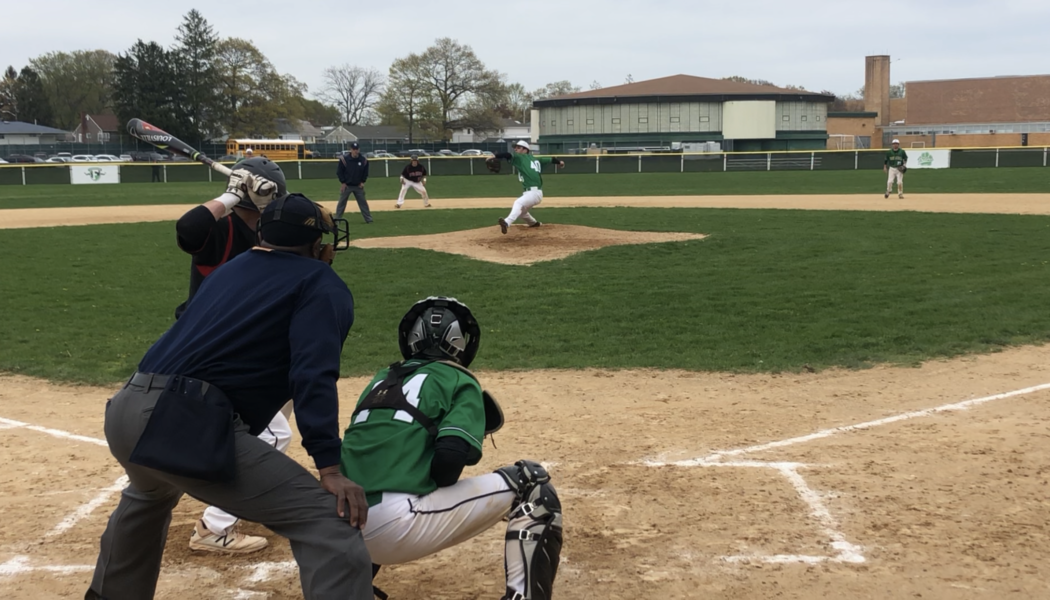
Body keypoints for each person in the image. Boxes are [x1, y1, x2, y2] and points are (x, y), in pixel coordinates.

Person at [85, 193, 371, 600]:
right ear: (316, 244)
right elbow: (313, 375)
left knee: (148, 496)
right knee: (327, 519)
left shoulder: (229, 269)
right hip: (182, 420)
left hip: (126, 407)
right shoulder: (319, 281)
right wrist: (329, 468)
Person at [340, 296, 564, 600]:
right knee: (532, 484)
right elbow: (449, 461)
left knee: (376, 481)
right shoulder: (459, 379)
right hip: (397, 528)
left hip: (343, 529)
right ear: (460, 344)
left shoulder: (380, 380)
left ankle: (349, 590)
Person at [174, 157, 295, 554]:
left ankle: (236, 488)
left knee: (284, 400)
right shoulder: (222, 228)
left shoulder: (269, 233)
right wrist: (230, 195)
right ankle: (215, 526)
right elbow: (187, 229)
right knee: (275, 434)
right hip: (209, 351)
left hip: (235, 351)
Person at [492, 141, 564, 234]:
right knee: (522, 211)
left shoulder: (521, 157)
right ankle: (533, 223)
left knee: (518, 203)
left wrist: (494, 156)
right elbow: (551, 159)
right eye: (515, 147)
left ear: (525, 150)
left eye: (518, 147)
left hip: (533, 193)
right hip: (533, 193)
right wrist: (560, 162)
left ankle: (507, 223)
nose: (515, 149)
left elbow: (507, 155)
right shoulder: (535, 159)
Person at [336, 142, 372, 223]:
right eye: (354, 149)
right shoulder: (344, 160)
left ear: (359, 150)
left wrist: (363, 181)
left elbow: (365, 172)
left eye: (357, 149)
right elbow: (339, 172)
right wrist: (343, 182)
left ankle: (368, 219)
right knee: (341, 203)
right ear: (351, 150)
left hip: (358, 185)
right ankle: (337, 219)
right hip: (347, 185)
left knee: (363, 203)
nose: (355, 151)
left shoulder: (363, 160)